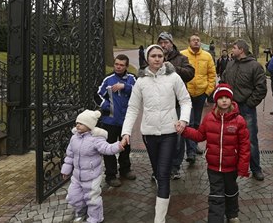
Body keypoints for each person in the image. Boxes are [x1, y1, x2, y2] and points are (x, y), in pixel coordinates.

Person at [121, 45, 192, 223]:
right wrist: (126, 131)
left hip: (169, 132)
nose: (157, 59)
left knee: (163, 173)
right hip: (149, 133)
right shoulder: (141, 81)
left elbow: (185, 100)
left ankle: (159, 219)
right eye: (153, 56)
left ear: (164, 58)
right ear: (147, 59)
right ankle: (163, 197)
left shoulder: (173, 77)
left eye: (160, 55)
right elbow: (133, 108)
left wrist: (183, 120)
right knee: (157, 171)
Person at [181, 83, 249, 223]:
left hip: (231, 166)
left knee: (231, 192)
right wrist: (184, 130)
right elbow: (200, 135)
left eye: (227, 97)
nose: (224, 100)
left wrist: (243, 167)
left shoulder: (239, 121)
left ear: (231, 100)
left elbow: (244, 146)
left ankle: (232, 214)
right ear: (216, 100)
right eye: (221, 98)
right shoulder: (209, 118)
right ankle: (215, 219)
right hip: (213, 167)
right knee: (216, 195)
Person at [61, 110, 125, 223]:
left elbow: (107, 148)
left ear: (89, 125)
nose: (78, 125)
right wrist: (66, 170)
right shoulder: (74, 138)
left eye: (81, 123)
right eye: (77, 123)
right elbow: (70, 155)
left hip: (91, 176)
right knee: (73, 196)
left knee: (92, 199)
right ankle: (81, 211)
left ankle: (96, 217)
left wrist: (118, 146)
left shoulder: (96, 139)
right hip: (77, 176)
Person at [220, 39, 267, 181]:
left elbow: (261, 88)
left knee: (250, 139)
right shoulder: (230, 63)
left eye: (234, 48)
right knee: (228, 138)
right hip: (229, 107)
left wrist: (249, 103)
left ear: (241, 50)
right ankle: (230, 168)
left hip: (246, 108)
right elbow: (223, 80)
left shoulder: (255, 66)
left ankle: (256, 168)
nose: (231, 50)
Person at [157, 31, 195, 179]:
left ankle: (175, 166)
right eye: (161, 42)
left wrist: (174, 68)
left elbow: (190, 73)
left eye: (165, 42)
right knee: (161, 136)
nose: (163, 45)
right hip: (160, 103)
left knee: (178, 137)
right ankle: (161, 166)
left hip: (177, 103)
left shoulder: (181, 58)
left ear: (171, 43)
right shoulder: (154, 57)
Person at [97, 54, 137, 187]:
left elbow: (139, 92)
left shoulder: (132, 78)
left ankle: (125, 169)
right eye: (116, 64)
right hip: (109, 121)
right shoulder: (107, 79)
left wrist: (124, 86)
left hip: (126, 121)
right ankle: (110, 175)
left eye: (121, 65)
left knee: (126, 147)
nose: (118, 67)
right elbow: (97, 95)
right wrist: (106, 106)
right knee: (109, 148)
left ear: (126, 66)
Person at [181, 33, 216, 164]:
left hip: (201, 93)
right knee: (188, 122)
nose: (196, 42)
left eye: (198, 40)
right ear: (189, 42)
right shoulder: (182, 55)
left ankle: (194, 146)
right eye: (193, 40)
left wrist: (208, 91)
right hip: (186, 94)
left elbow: (212, 75)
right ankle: (190, 152)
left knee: (196, 122)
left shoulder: (207, 56)